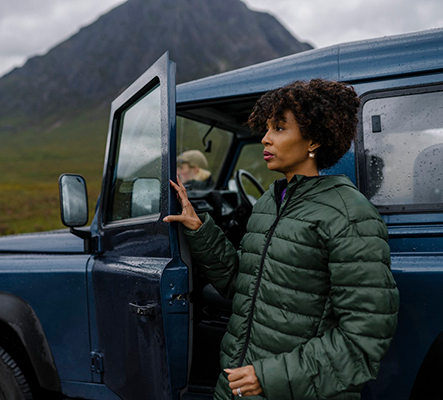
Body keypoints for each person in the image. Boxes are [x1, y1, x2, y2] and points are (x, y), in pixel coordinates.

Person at [164, 79, 399, 399]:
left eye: (278, 128)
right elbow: (240, 284)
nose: (265, 138)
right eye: (267, 127)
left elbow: (364, 341)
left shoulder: (349, 214)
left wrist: (267, 377)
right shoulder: (269, 203)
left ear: (313, 139)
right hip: (236, 385)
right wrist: (198, 228)